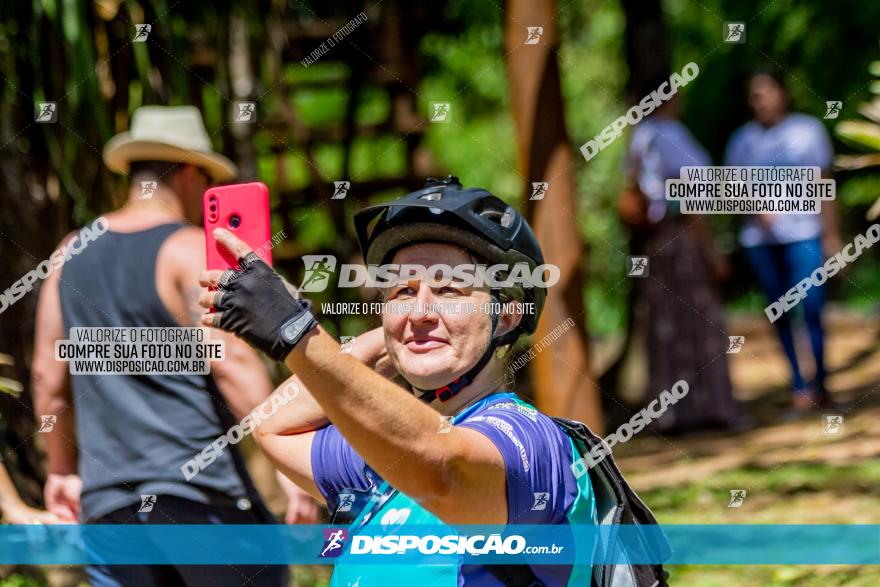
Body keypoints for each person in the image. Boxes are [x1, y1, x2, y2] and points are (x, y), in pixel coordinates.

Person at [197, 177, 599, 586]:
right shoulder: (384, 457)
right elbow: (273, 425)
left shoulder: (531, 437)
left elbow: (445, 472)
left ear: (509, 316)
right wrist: (402, 338)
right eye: (402, 291)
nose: (420, 309)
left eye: (450, 290)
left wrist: (298, 333)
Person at [31, 105, 317, 586]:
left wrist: (62, 472)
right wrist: (292, 465)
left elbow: (47, 377)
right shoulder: (185, 250)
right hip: (200, 501)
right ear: (189, 173)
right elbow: (234, 364)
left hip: (110, 507)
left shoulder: (68, 253)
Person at [621, 93, 742, 433]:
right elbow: (693, 203)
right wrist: (713, 253)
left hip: (656, 244)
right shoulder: (673, 137)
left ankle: (672, 413)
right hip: (684, 240)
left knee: (666, 326)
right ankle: (714, 408)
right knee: (702, 323)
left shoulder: (640, 138)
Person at [724, 69, 840, 415]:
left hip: (805, 235)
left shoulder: (808, 132)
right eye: (753, 96)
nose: (759, 101)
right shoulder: (741, 141)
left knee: (813, 305)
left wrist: (832, 236)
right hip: (761, 241)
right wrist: (754, 206)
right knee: (780, 312)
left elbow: (824, 185)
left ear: (781, 94)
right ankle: (799, 386)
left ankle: (821, 381)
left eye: (765, 93)